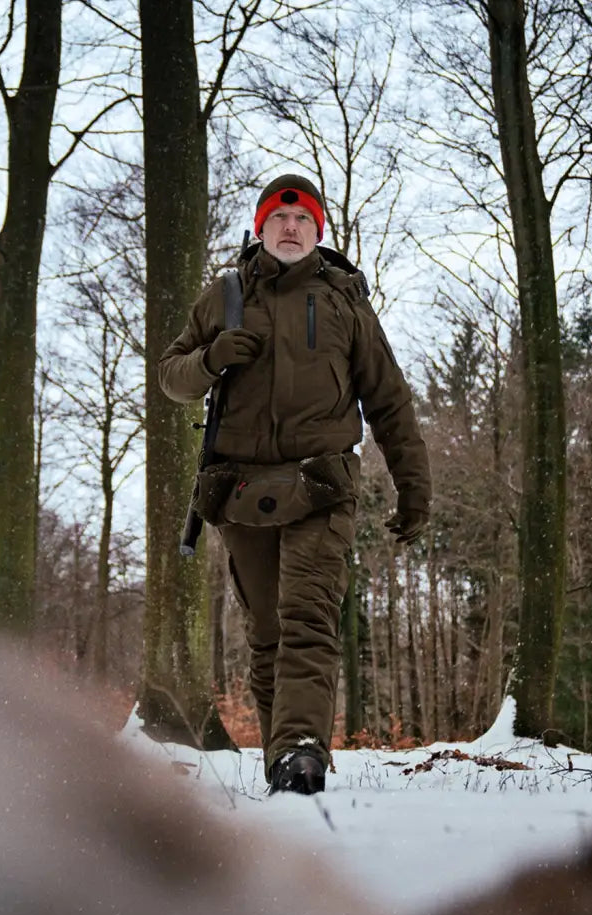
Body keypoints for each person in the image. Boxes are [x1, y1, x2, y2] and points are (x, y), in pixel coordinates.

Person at [158, 173, 431, 795]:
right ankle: (280, 758)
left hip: (323, 484)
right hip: (241, 490)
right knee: (268, 635)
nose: (290, 227)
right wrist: (211, 358)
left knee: (308, 617)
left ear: (318, 231)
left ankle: (300, 752)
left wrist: (414, 487)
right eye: (279, 219)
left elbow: (389, 402)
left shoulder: (345, 301)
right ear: (260, 228)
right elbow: (171, 376)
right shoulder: (225, 295)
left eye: (303, 219)